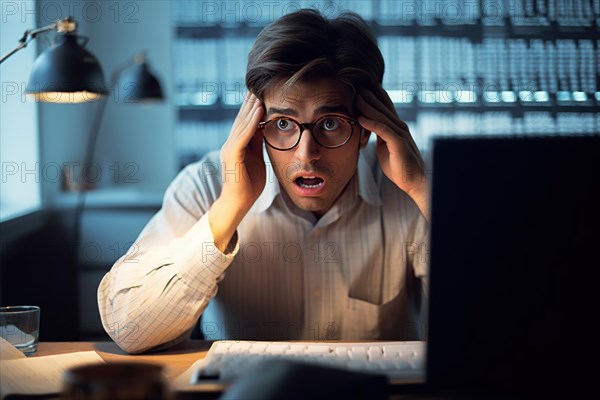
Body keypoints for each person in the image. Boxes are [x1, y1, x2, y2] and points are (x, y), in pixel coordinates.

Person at [98, 9, 429, 354]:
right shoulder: (206, 184)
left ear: (367, 130)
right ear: (255, 125)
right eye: (283, 124)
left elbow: (485, 324)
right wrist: (230, 207)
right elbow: (129, 330)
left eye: (330, 124)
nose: (306, 154)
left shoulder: (411, 184)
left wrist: (422, 189)